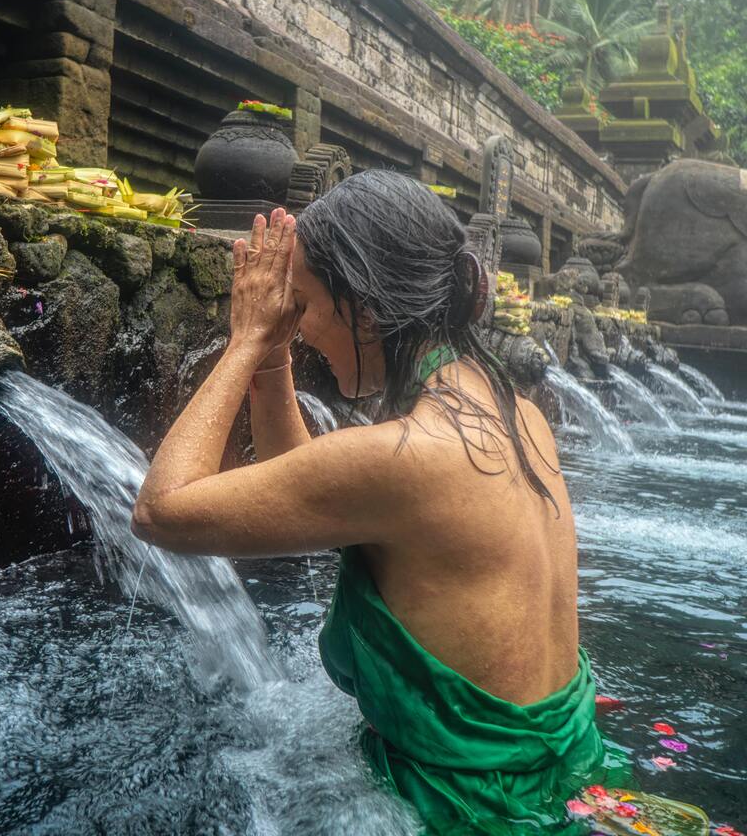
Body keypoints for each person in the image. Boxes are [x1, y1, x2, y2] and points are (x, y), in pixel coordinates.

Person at [131, 171, 603, 832]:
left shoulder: (410, 456)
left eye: (304, 304)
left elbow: (161, 510)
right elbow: (307, 486)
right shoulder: (521, 417)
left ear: (367, 310)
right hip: (572, 780)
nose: (297, 325)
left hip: (468, 813)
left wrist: (242, 342)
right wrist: (272, 361)